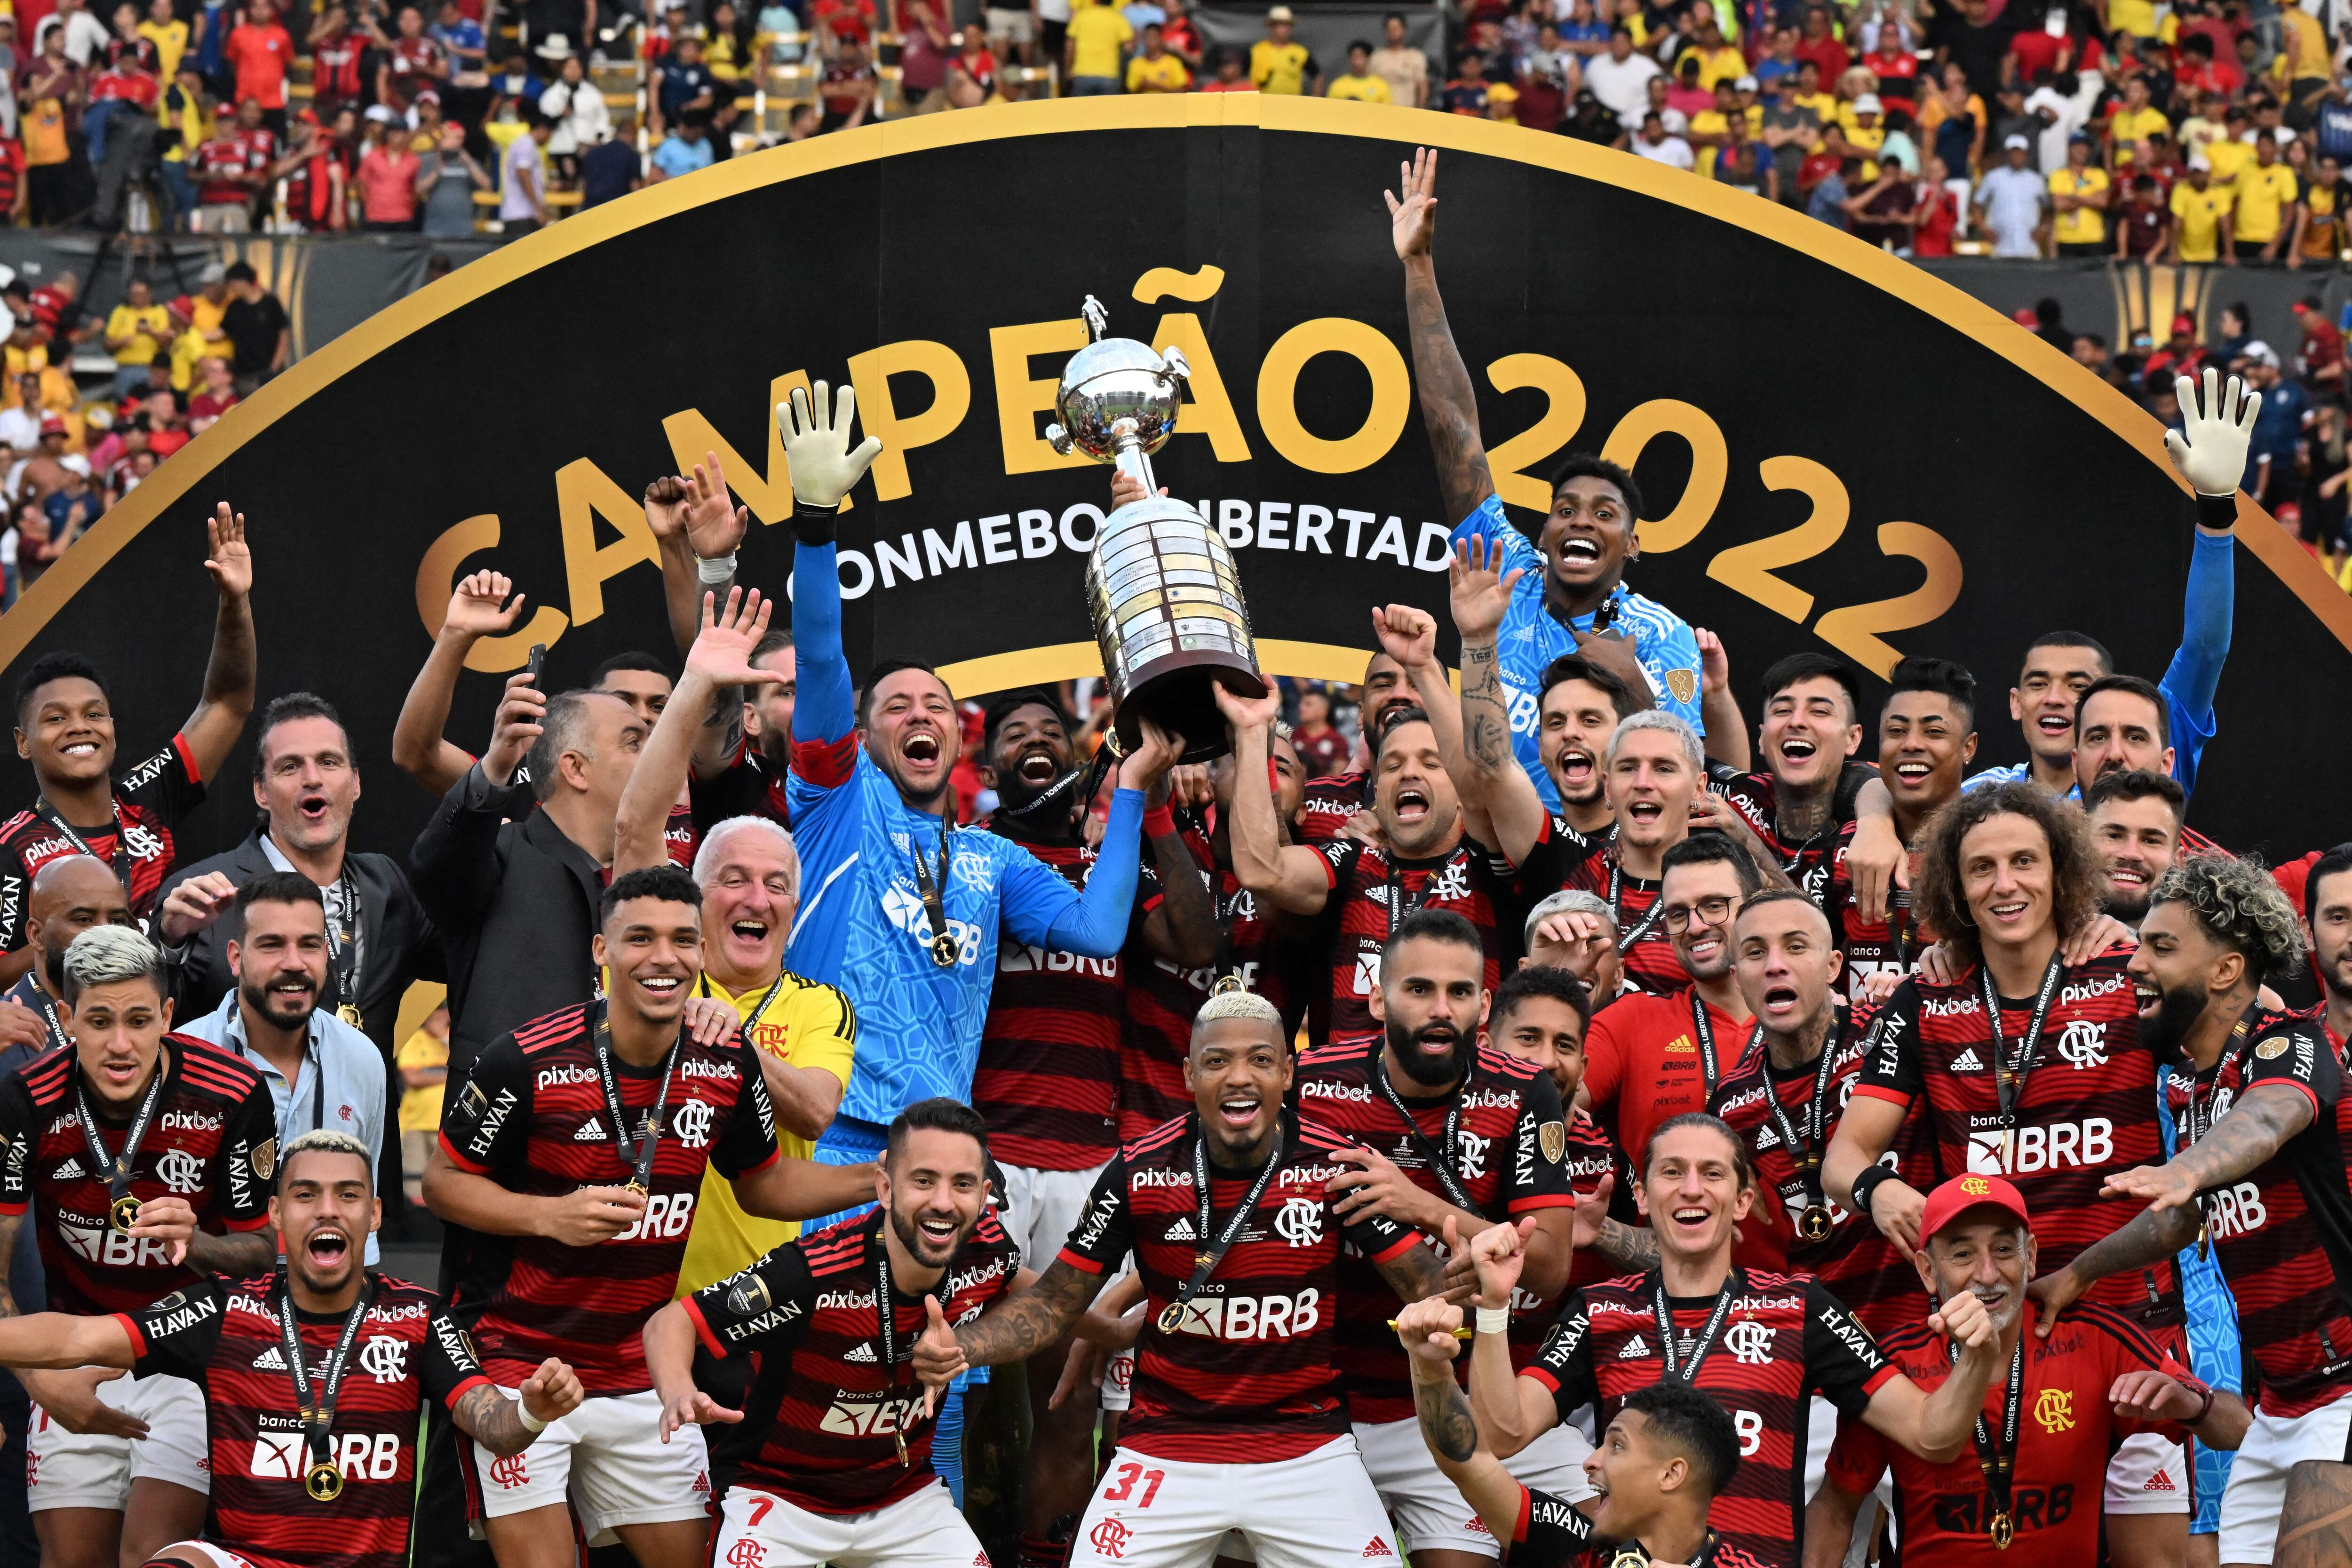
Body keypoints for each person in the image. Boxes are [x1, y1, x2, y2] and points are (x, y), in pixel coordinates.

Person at [773, 382, 1173, 1194]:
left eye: (937, 706)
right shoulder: (835, 802)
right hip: (830, 1134)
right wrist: (816, 527)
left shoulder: (993, 859)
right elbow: (819, 658)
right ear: (864, 731)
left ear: (958, 737)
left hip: (944, 1155)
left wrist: (1130, 788)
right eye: (898, 706)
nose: (921, 715)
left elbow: (1098, 930)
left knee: (936, 1327)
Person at [421, 864, 870, 1568]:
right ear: (601, 951)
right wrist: (550, 1215)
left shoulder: (726, 1064)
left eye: (683, 940)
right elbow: (444, 1183)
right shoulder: (525, 1058)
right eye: (641, 938)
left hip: (644, 1372)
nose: (665, 958)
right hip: (524, 1363)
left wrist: (878, 1179)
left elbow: (765, 1185)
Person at [911, 983, 1448, 1567]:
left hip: (1306, 1446)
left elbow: (1425, 1283)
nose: (1239, 1077)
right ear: (1189, 1075)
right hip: (1167, 1443)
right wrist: (959, 1347)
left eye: (1260, 1061)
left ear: (1288, 1073)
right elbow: (1054, 1303)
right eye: (1217, 1061)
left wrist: (1446, 1296)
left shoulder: (1334, 1166)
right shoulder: (1137, 1170)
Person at [1822, 783, 2195, 1566]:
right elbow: (1844, 1157)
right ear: (1954, 888)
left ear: (2062, 871)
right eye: (1981, 867)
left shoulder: (2130, 969)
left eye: (2025, 861)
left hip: (2126, 1325)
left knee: (2162, 1559)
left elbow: (2252, 1016)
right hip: (1991, 1337)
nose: (2005, 883)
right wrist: (1879, 1187)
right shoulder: (1927, 995)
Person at [0, 1128, 582, 1568]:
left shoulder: (418, 1315)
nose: (327, 1209)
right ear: (277, 1214)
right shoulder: (226, 1307)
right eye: (306, 1194)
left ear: (374, 1215)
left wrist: (534, 1408)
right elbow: (80, 1336)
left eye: (348, 1195)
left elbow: (496, 1425)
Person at [1458, 1113, 2006, 1568]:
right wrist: (1493, 1307)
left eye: (1712, 1174)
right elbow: (1501, 1433)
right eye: (1671, 1172)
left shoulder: (1800, 1306)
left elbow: (1930, 1435)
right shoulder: (1600, 1309)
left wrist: (1976, 1357)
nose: (1691, 1189)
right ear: (1643, 1196)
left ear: (1742, 1201)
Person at [2031, 855, 2347, 1568]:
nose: (2135, 963)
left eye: (2162, 947)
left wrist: (2184, 1169)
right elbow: (2182, 1221)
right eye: (2141, 943)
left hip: (2346, 1388)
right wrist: (2075, 1276)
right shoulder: (2188, 1084)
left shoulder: (2288, 1044)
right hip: (2280, 1409)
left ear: (2227, 971)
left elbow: (2269, 1119)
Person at [964, 682, 1213, 1552]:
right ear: (986, 763)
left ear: (1080, 756)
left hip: (1086, 1164)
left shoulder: (1108, 870)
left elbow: (1195, 943)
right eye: (1011, 733)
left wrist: (1149, 814)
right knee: (969, 1397)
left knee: (1068, 1401)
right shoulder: (970, 860)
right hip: (987, 1161)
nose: (1032, 739)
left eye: (1049, 729)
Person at [1389, 149, 1708, 810]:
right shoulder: (1508, 571)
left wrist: (1632, 686)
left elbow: (1687, 770)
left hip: (1608, 864)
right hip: (1497, 848)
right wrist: (1418, 266)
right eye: (1565, 509)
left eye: (1604, 513)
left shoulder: (1662, 635)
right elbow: (1454, 427)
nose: (1581, 521)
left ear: (1634, 546)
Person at [1293, 908, 1578, 1566]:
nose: (1439, 1009)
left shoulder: (1523, 1089)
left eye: (1458, 992)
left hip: (1441, 1399)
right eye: (1418, 989)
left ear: (1484, 1003)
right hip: (1319, 1400)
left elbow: (1550, 1265)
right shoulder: (1310, 1084)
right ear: (1377, 995)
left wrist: (1418, 1204)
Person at [0, 926, 280, 1566]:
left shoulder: (232, 1093)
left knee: (151, 1556)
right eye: (99, 1021)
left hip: (187, 1364)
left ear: (168, 1016)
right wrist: (42, 1383)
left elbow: (262, 1255)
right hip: (69, 1357)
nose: (120, 1044)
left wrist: (200, 1245)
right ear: (67, 1018)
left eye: (137, 1019)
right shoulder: (24, 1098)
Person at [646, 1099, 1021, 1568]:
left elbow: (1044, 1296)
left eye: (961, 1184)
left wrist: (1105, 1328)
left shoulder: (989, 1252)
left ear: (983, 1192)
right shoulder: (810, 1273)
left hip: (903, 1496)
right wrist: (679, 1391)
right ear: (884, 1188)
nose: (943, 1202)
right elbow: (672, 1321)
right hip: (780, 1495)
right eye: (923, 1181)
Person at [606, 593, 856, 1295]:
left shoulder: (821, 1005)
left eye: (776, 885)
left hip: (758, 1309)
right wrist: (697, 685)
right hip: (637, 1298)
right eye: (734, 880)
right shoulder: (659, 973)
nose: (756, 898)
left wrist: (730, 1041)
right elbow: (634, 830)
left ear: (796, 906)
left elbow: (813, 1109)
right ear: (694, 894)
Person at [1807, 1173, 2250, 1565]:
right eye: (1962, 1254)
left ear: (2031, 1256)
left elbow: (2239, 1430)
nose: (1987, 1273)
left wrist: (2193, 1404)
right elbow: (1835, 1508)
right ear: (1927, 1270)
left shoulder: (2098, 1337)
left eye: (2004, 1249)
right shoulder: (1896, 1363)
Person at [0, 503, 253, 989]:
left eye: (94, 714)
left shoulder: (147, 796)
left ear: (113, 727)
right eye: (55, 719)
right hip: (70, 1046)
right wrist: (86, 937)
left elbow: (227, 702)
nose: (80, 727)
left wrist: (234, 603)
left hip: (163, 1025)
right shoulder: (12, 847)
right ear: (23, 743)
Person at [1962, 376, 2247, 803]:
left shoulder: (2141, 764)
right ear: (2015, 702)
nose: (2056, 699)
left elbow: (2205, 648)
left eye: (2079, 685)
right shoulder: (1979, 796)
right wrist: (1875, 814)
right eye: (2039, 684)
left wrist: (2216, 508)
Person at [153, 691, 443, 1064]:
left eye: (328, 762)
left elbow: (470, 956)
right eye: (290, 766)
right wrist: (169, 945)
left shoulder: (385, 884)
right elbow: (151, 1019)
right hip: (247, 1119)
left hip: (365, 1122)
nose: (312, 778)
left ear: (355, 783)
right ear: (261, 790)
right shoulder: (205, 891)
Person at [1396, 1306, 1763, 1568]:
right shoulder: (1573, 1542)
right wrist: (1430, 1366)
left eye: (1617, 1445)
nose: (1590, 1459)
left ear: (1671, 1474)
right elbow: (1469, 1461)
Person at [170, 874, 387, 1261]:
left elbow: (361, 1215)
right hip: (211, 1292)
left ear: (326, 954)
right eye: (272, 945)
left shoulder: (362, 1058)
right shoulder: (183, 1056)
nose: (293, 963)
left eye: (309, 945)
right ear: (235, 958)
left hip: (325, 1295)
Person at [2085, 769, 2186, 925]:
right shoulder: (2039, 941)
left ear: (2178, 861)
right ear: (2079, 845)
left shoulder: (2202, 948)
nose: (2130, 853)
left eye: (2151, 841)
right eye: (2114, 836)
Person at [396, 1002, 449, 1207]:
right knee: (414, 1180)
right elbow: (412, 1078)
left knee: (445, 1182)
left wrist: (444, 1038)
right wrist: (447, 1076)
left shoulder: (452, 1040)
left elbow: (469, 1069)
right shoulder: (414, 1040)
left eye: (442, 1011)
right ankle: (418, 1228)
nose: (438, 1016)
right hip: (416, 1124)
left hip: (447, 1125)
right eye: (435, 1011)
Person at [1975, 134, 2050, 256]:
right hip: (1999, 248)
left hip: (2029, 247)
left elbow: (2048, 208)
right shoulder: (1993, 177)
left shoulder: (2036, 180)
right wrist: (1985, 230)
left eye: (2021, 153)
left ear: (2027, 155)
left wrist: (2043, 229)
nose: (2017, 157)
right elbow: (1976, 205)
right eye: (2013, 153)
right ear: (2007, 155)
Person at [217, 261, 287, 391]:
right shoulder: (234, 308)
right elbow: (221, 332)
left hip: (270, 372)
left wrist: (274, 368)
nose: (231, 289)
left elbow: (284, 336)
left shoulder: (270, 303)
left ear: (242, 282)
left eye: (232, 284)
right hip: (245, 376)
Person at [499, 110, 552, 233]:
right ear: (542, 129)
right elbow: (523, 173)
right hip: (522, 215)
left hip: (522, 215)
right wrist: (538, 209)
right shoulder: (526, 145)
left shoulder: (523, 144)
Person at [1251, 3, 1315, 93]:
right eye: (1280, 25)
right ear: (1271, 27)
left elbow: (1317, 76)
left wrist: (1313, 102)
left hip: (1291, 105)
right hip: (1262, 104)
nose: (1285, 29)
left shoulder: (1300, 52)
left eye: (1288, 25)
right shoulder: (1257, 50)